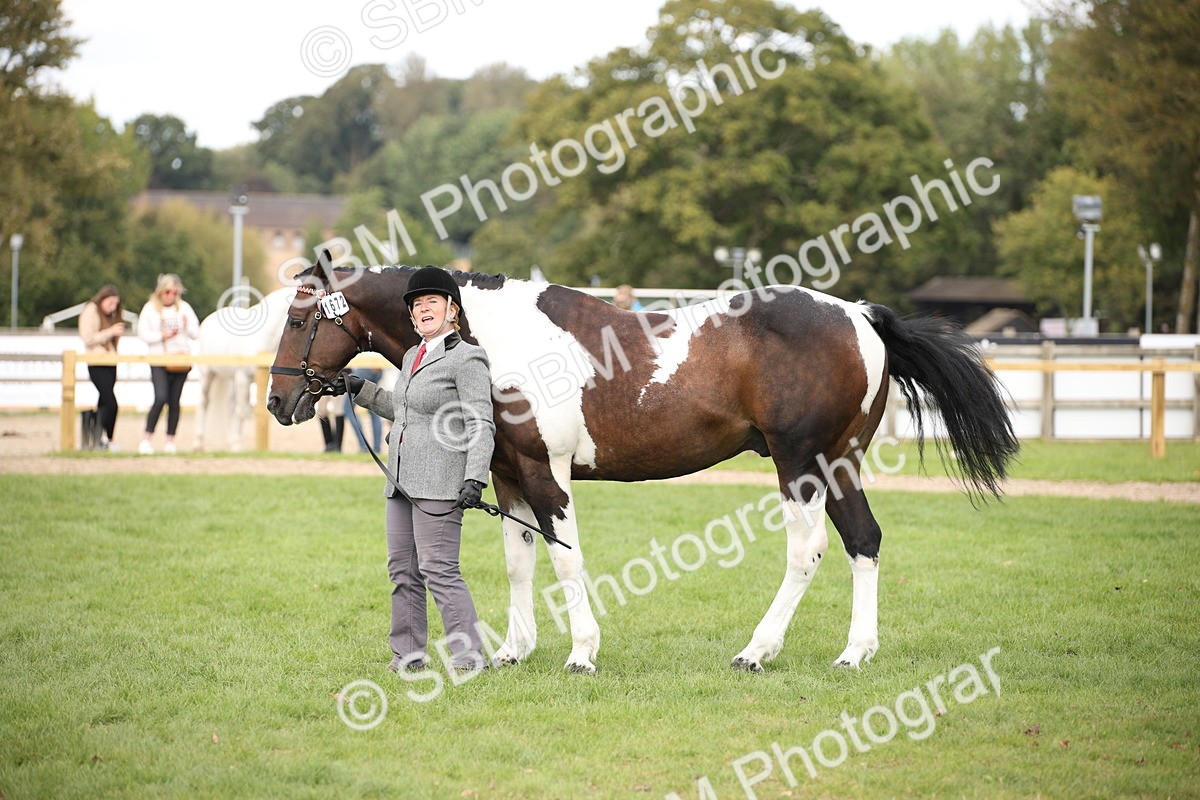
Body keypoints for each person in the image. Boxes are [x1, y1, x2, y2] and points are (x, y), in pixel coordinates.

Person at [334, 266, 495, 673]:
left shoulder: (467, 358)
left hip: (441, 480)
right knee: (402, 571)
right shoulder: (411, 355)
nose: (423, 310)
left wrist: (476, 476)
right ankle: (408, 655)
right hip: (400, 479)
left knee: (439, 569)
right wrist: (363, 391)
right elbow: (405, 411)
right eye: (417, 305)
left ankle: (470, 656)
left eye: (431, 303)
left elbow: (480, 422)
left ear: (451, 309)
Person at [137, 274, 199, 454]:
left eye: (175, 292)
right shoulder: (150, 309)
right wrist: (162, 336)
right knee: (160, 397)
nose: (171, 295)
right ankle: (146, 438)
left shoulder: (184, 308)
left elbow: (196, 333)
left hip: (180, 359)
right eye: (167, 292)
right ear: (160, 291)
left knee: (174, 401)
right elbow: (143, 334)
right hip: (159, 359)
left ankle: (170, 440)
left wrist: (187, 326)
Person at [78, 285, 125, 451]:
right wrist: (110, 332)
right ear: (103, 298)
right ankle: (108, 439)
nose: (113, 307)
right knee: (111, 403)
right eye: (111, 303)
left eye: (115, 304)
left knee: (104, 401)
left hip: (110, 362)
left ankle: (96, 440)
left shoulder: (111, 316)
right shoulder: (90, 311)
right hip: (96, 362)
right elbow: (88, 337)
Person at [344, 367, 384, 452]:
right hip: (378, 369)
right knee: (374, 409)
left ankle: (364, 446)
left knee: (348, 408)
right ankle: (377, 447)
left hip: (363, 368)